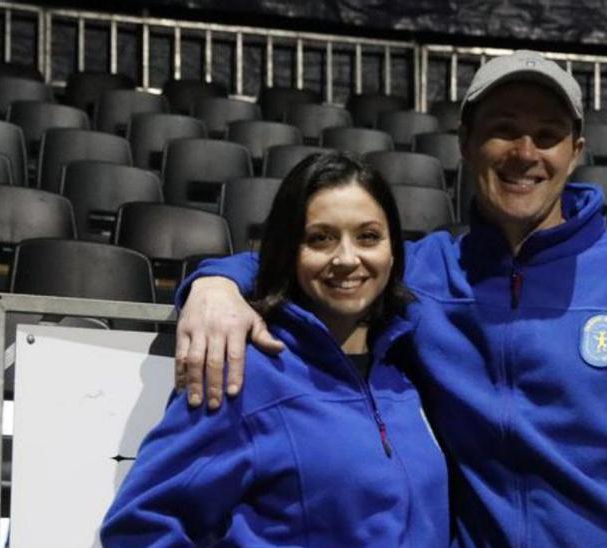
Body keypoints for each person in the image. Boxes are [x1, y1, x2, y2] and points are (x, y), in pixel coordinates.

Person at [176, 50, 607, 545]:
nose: (524, 152)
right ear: (466, 140)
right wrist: (213, 282)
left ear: (576, 151)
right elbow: (313, 264)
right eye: (504, 127)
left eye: (548, 135)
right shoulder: (424, 274)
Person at [102, 152, 449, 546]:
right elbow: (140, 528)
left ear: (392, 250)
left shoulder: (403, 373)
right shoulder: (243, 372)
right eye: (320, 238)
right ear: (289, 250)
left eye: (368, 236)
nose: (347, 259)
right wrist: (212, 282)